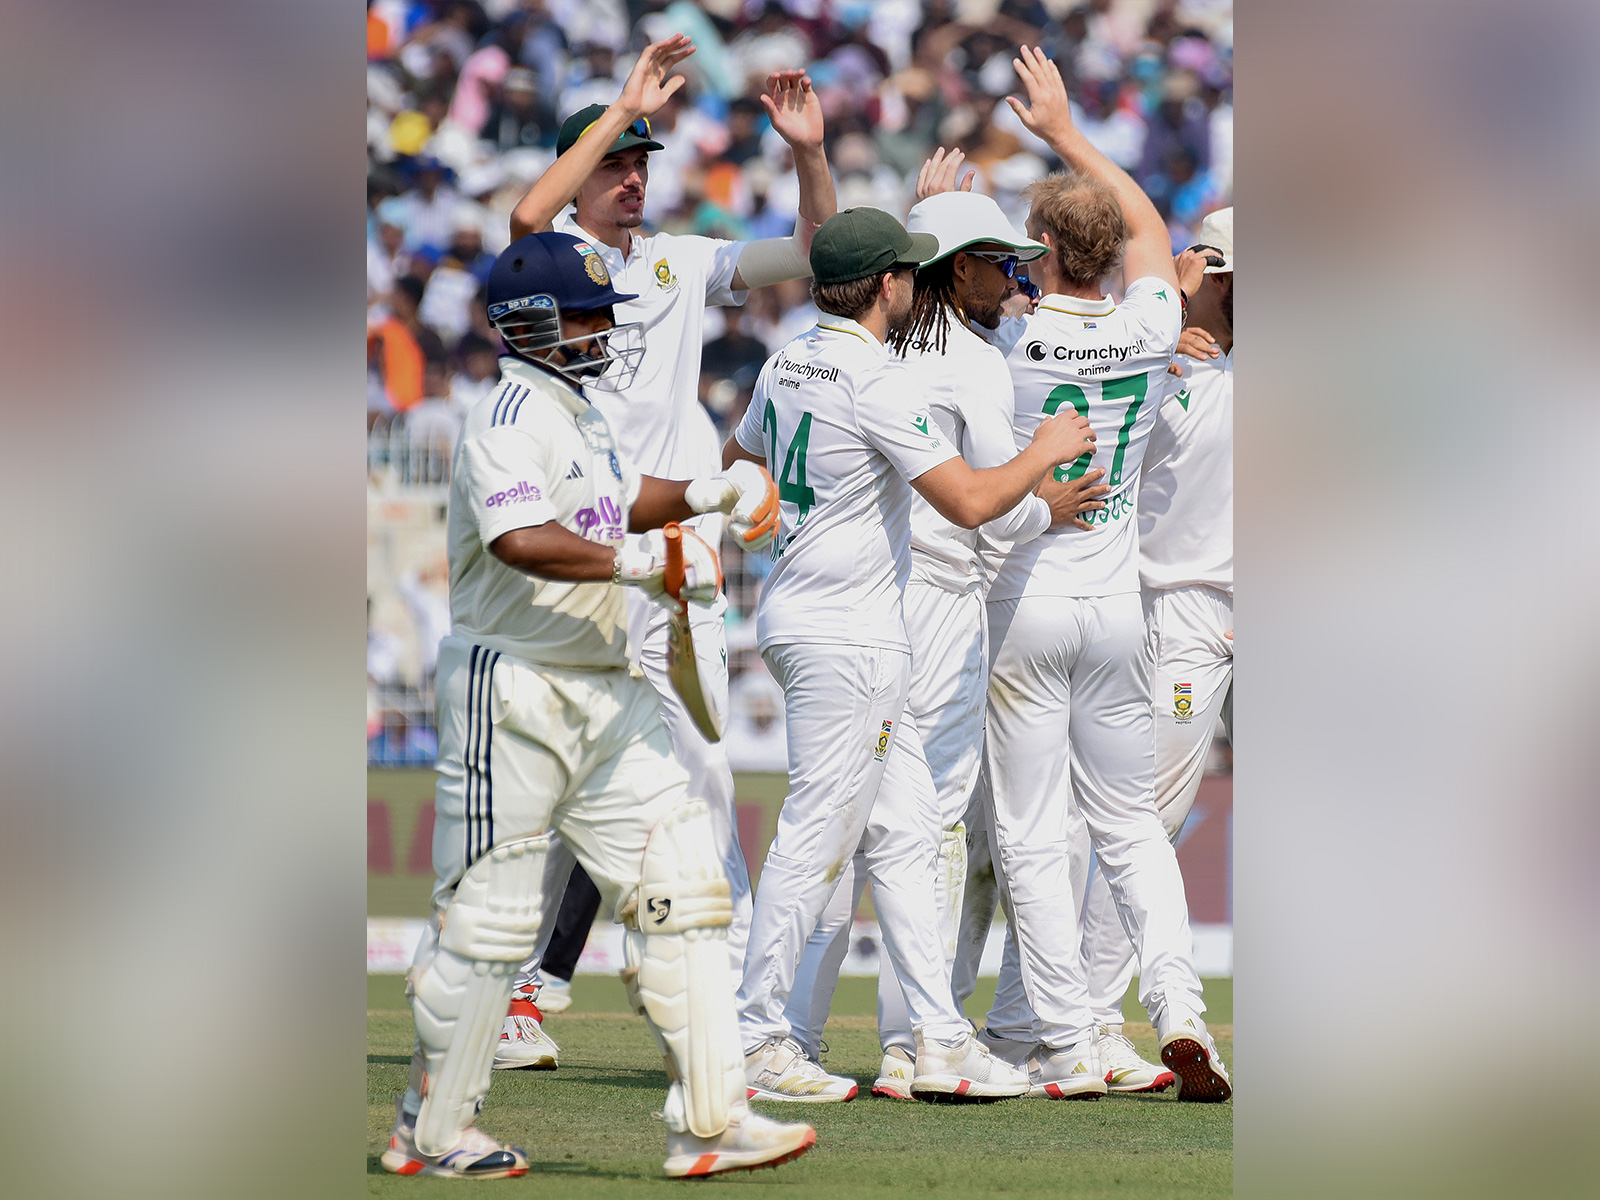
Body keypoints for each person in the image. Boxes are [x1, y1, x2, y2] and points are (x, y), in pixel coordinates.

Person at [380, 230, 814, 1180]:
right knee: (493, 920)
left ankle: (712, 1121)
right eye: (583, 317)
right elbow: (519, 541)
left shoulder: (581, 413)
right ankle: (437, 1129)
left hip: (605, 686)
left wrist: (710, 490)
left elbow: (620, 502)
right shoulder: (505, 416)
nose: (601, 333)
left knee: (688, 884)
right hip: (516, 689)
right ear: (527, 323)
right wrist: (642, 563)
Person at [493, 34, 839, 1065]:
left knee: (699, 765)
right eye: (615, 162)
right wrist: (614, 109)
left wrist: (807, 156)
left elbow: (814, 258)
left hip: (677, 549)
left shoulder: (684, 261)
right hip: (579, 545)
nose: (634, 177)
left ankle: (726, 1000)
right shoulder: (553, 263)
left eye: (643, 161)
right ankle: (524, 983)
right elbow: (520, 218)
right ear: (581, 172)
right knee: (563, 781)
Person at [722, 207, 1094, 1103]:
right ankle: (755, 1036)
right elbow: (969, 501)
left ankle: (934, 1038)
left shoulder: (787, 358)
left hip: (812, 614)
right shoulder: (876, 377)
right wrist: (1045, 452)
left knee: (902, 835)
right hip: (850, 631)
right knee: (819, 835)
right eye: (905, 271)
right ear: (889, 284)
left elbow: (740, 458)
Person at [967, 47, 1231, 1102]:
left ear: (1038, 248)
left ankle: (1071, 1038)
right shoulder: (1147, 324)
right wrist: (1069, 133)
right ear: (1110, 255)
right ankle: (1176, 1004)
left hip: (1029, 592)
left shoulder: (1008, 348)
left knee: (1035, 830)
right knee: (1131, 828)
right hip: (1121, 606)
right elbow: (1156, 234)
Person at [1078, 208, 1235, 1064]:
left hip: (1213, 613)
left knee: (1141, 820)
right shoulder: (1146, 358)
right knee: (1128, 820)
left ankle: (1092, 1017)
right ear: (1208, 275)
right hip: (1149, 606)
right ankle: (1090, 1021)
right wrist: (1159, 337)